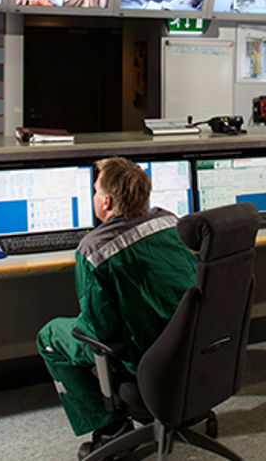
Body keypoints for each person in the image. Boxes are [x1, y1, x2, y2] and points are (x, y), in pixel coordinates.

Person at [36, 157, 197, 457]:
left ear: (107, 202)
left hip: (143, 361)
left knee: (50, 336)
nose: (94, 196)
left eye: (96, 191)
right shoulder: (171, 223)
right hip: (189, 350)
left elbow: (98, 329)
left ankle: (112, 429)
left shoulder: (94, 248)